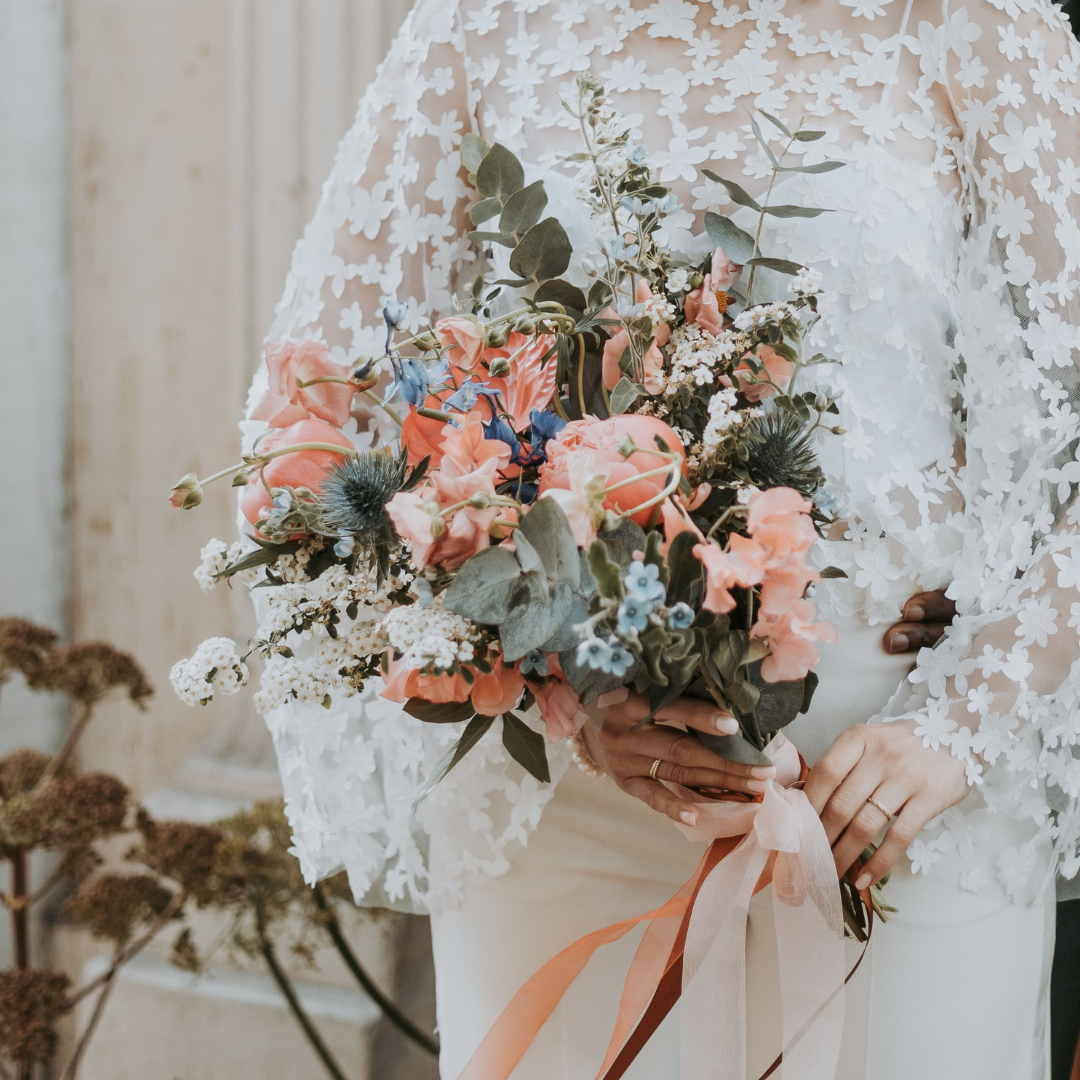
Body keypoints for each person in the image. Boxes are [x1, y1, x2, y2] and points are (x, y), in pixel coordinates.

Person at [250, 0, 1080, 1075]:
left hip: (894, 802)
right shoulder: (480, 26)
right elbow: (315, 418)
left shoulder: (982, 27)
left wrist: (965, 723)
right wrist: (566, 692)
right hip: (573, 796)